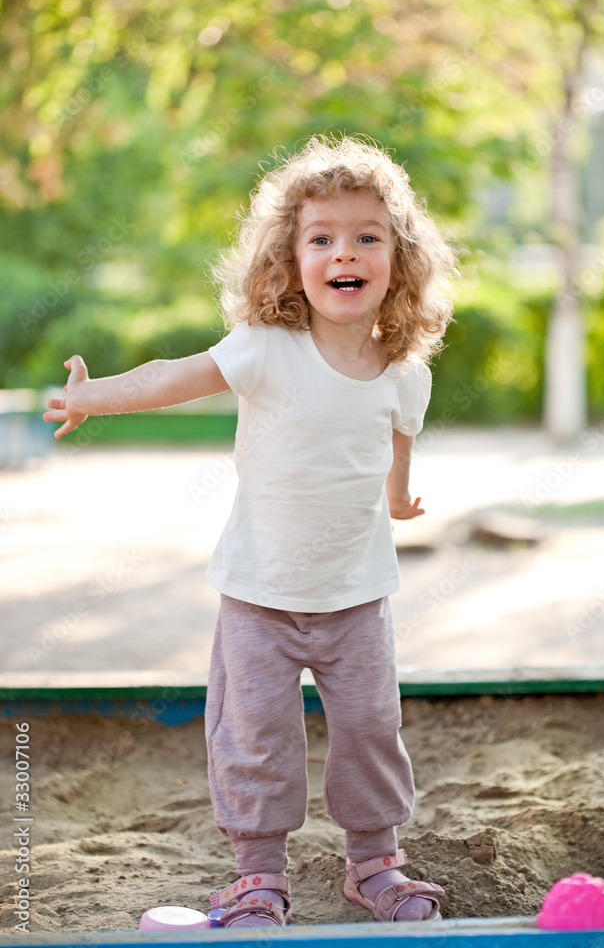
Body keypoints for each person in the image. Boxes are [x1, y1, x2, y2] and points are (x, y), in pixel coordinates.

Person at [44, 134, 455, 928]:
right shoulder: (268, 349)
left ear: (398, 261)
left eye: (367, 236)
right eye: (321, 238)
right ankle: (257, 876)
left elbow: (396, 439)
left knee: (371, 730)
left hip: (357, 598)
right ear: (289, 259)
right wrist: (97, 398)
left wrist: (401, 498)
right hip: (259, 597)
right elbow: (175, 376)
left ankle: (375, 865)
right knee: (255, 738)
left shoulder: (407, 371)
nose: (345, 252)